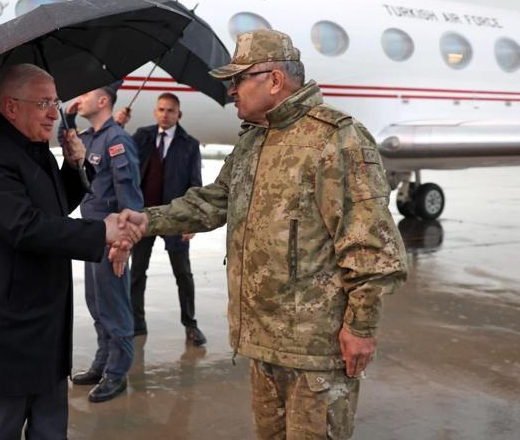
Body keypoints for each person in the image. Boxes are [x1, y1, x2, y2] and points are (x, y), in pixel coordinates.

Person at [117, 29, 408, 439]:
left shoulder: (334, 138)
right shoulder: (255, 140)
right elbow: (215, 201)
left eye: (239, 79)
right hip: (261, 341)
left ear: (274, 80)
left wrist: (360, 327)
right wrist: (146, 221)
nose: (232, 90)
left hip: (314, 350)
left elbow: (370, 246)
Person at [0, 64, 142, 440]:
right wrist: (100, 231)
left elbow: (53, 209)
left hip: (43, 326)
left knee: (51, 428)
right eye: (43, 103)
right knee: (1, 427)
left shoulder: (35, 150)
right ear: (11, 107)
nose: (55, 112)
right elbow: (24, 226)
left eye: (55, 101)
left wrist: (74, 165)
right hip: (4, 329)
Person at [60, 83, 144, 403]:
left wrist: (123, 243)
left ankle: (117, 373)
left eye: (85, 94)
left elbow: (130, 199)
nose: (78, 98)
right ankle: (102, 362)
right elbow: (70, 151)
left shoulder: (117, 140)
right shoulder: (89, 137)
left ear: (103, 100)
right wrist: (66, 121)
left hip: (111, 240)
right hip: (91, 237)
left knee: (114, 307)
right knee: (97, 304)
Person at [115, 93, 206, 346]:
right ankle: (137, 322)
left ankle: (190, 325)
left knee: (183, 274)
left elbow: (195, 186)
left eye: (171, 111)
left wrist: (192, 222)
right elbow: (120, 151)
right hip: (143, 216)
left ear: (179, 115)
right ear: (155, 112)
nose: (165, 114)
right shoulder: (142, 136)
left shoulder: (189, 144)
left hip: (176, 218)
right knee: (137, 273)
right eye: (161, 109)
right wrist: (118, 125)